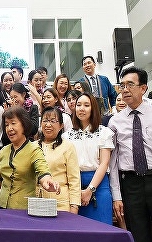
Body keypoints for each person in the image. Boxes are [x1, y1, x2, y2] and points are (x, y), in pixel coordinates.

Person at [108, 67, 152, 242]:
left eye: (130, 85)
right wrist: (117, 196)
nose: (124, 89)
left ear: (143, 88)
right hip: (131, 184)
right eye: (122, 85)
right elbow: (112, 162)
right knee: (138, 233)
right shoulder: (115, 121)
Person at [0, 106, 60, 209]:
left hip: (23, 210)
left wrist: (47, 181)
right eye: (6, 125)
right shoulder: (3, 151)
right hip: (1, 208)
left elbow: (43, 172)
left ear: (24, 124)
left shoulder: (34, 149)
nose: (9, 128)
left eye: (13, 123)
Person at [63, 92, 114, 224]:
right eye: (78, 105)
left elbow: (104, 163)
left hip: (99, 185)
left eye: (86, 105)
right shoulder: (66, 136)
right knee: (76, 230)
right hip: (74, 185)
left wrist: (90, 190)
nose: (81, 108)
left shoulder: (103, 132)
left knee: (101, 230)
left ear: (93, 108)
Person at [37, 107, 81, 213]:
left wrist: (74, 207)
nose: (48, 125)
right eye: (45, 121)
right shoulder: (33, 147)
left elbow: (74, 180)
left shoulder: (68, 147)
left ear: (61, 125)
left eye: (53, 121)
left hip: (60, 204)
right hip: (36, 204)